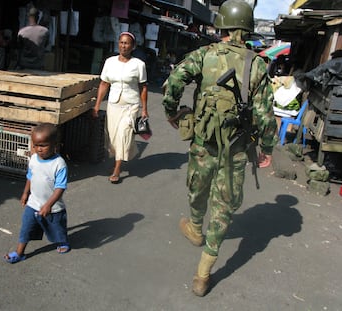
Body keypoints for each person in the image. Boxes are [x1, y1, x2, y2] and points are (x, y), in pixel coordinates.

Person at [162, 0, 277, 296]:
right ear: (247, 28)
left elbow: (174, 80)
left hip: (203, 142)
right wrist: (266, 148)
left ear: (223, 25)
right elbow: (265, 114)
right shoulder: (258, 65)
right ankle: (203, 274)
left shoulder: (204, 54)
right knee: (224, 206)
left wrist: (171, 111)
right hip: (237, 147)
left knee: (197, 187)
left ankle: (196, 228)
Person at [4, 123, 70, 263]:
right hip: (33, 203)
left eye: (43, 145)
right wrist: (25, 193)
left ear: (54, 144)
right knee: (26, 227)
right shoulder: (34, 159)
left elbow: (60, 187)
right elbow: (30, 177)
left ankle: (62, 241)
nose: (39, 149)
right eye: (36, 145)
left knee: (57, 228)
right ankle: (20, 252)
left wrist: (48, 205)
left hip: (54, 207)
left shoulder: (59, 164)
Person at [92, 32, 148, 184]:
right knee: (113, 136)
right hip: (114, 104)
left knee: (124, 133)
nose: (124, 46)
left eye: (127, 43)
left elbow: (143, 87)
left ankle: (117, 168)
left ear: (133, 46)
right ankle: (120, 157)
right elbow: (104, 84)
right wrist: (97, 105)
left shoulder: (139, 64)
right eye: (121, 42)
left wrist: (144, 109)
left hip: (131, 105)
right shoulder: (110, 62)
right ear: (118, 44)